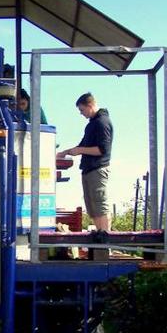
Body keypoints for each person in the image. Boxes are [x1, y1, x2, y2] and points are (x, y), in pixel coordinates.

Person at [57, 92, 113, 231]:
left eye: (82, 110)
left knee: (100, 204)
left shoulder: (102, 122)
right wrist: (64, 153)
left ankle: (105, 235)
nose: (81, 114)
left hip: (98, 169)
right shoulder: (91, 125)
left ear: (90, 105)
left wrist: (81, 150)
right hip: (88, 170)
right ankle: (99, 233)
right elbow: (81, 145)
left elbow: (102, 150)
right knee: (92, 205)